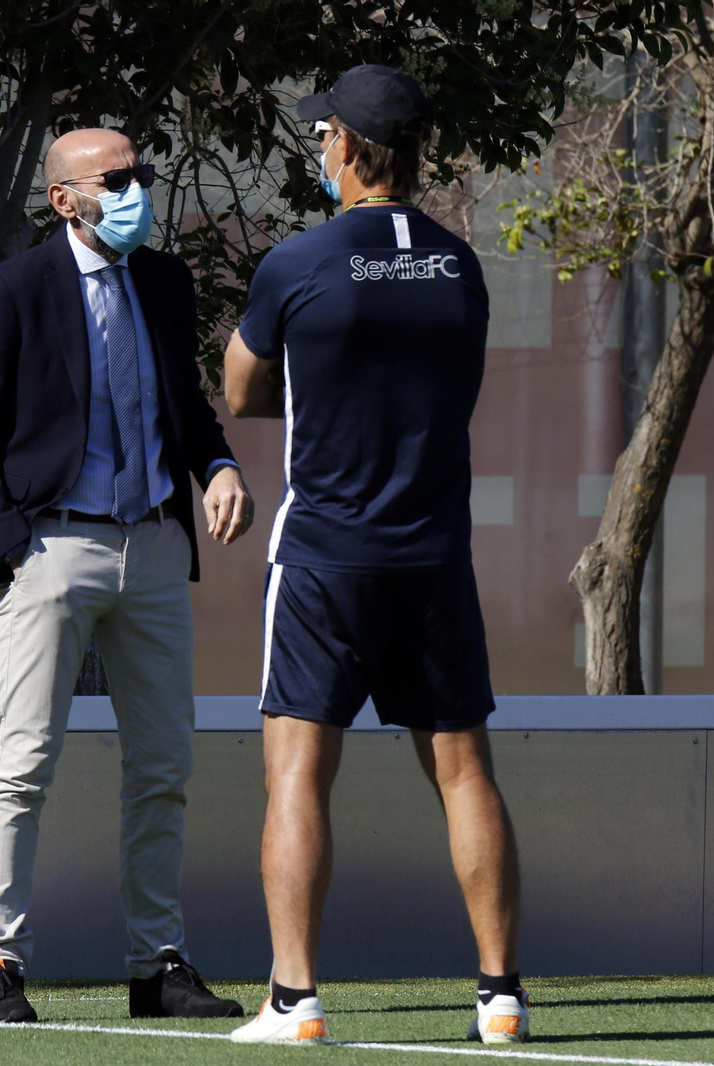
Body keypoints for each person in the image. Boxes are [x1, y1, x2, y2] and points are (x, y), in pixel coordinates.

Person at [221, 65, 527, 1046]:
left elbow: (241, 388)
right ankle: (499, 996)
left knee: (296, 771)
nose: (319, 150)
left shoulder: (297, 263)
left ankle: (294, 999)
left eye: (323, 138)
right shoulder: (460, 265)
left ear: (348, 148)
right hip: (434, 553)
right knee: (465, 770)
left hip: (323, 556)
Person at [0, 127, 253, 1025]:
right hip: (51, 549)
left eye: (140, 175)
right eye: (115, 180)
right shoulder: (13, 291)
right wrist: (14, 550)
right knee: (24, 759)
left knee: (165, 763)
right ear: (63, 198)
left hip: (152, 547)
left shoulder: (163, 281)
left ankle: (157, 967)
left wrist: (218, 466)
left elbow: (184, 406)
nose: (136, 190)